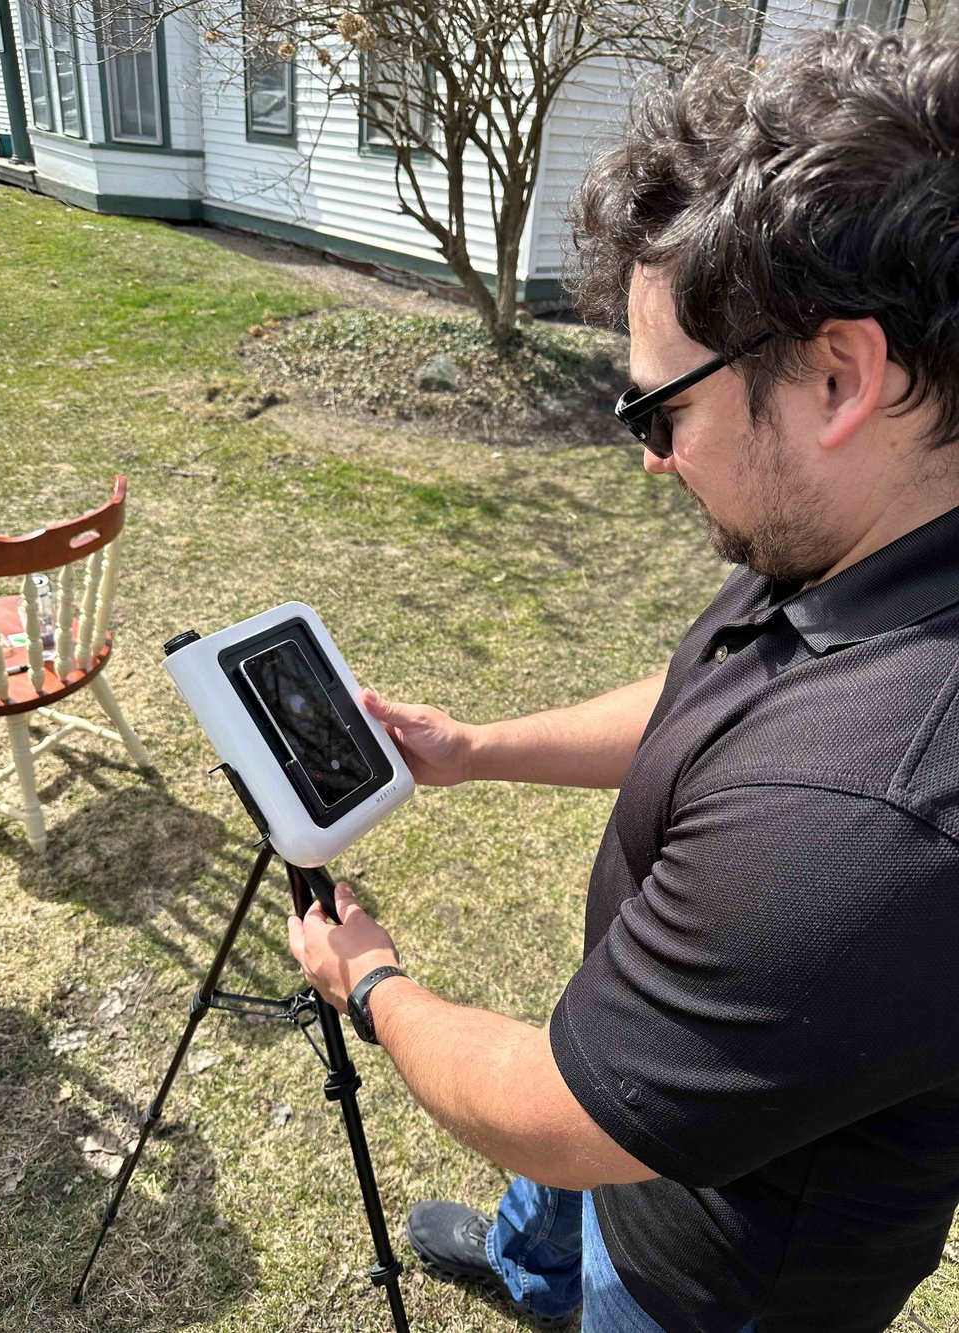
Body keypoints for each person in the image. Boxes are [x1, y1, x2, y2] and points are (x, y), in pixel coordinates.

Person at [288, 23, 959, 1333]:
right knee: (553, 1205)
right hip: (632, 1083)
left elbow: (557, 1110)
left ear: (840, 374)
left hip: (704, 1273)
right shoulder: (870, 525)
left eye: (657, 411)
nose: (649, 457)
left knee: (570, 1189)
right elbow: (715, 688)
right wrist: (475, 745)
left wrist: (367, 978)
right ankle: (528, 1266)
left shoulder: (861, 817)